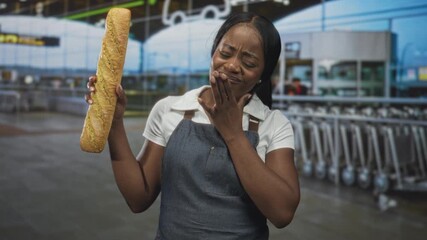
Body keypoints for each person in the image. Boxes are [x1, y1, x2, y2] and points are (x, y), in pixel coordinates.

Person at [86, 12, 300, 239]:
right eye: (225, 52)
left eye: (249, 62)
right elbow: (138, 198)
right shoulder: (170, 109)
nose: (232, 65)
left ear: (262, 75)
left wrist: (234, 135)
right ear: (213, 52)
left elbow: (282, 213)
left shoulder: (274, 124)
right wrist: (115, 122)